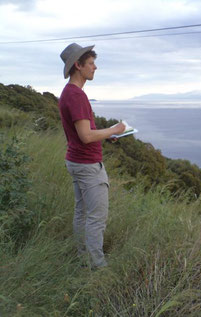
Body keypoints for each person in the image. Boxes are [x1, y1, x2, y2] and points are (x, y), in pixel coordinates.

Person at [58, 43, 125, 269]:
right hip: (87, 165)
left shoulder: (69, 93)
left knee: (82, 213)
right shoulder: (76, 96)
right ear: (78, 65)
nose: (95, 68)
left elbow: (83, 133)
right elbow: (86, 136)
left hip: (75, 161)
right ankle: (97, 267)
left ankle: (82, 258)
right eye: (91, 63)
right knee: (96, 219)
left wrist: (105, 135)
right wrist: (115, 130)